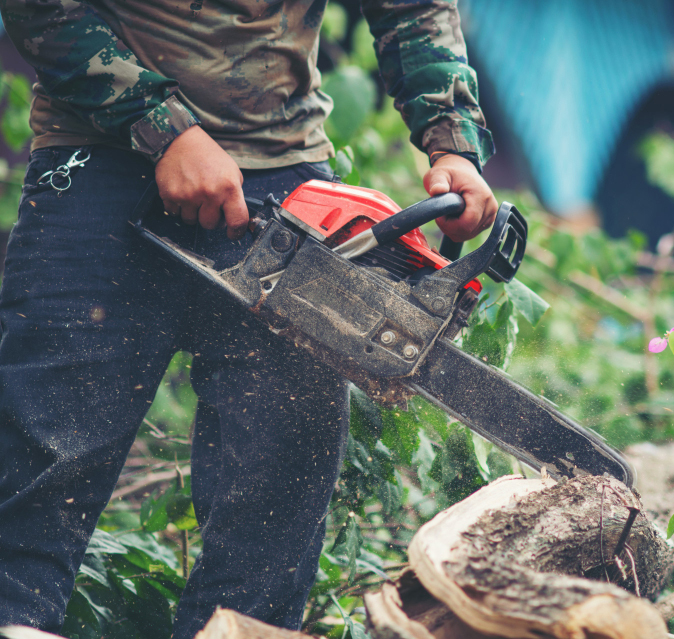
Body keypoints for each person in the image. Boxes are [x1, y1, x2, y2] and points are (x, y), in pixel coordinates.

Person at [0, 1, 498, 637]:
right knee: (39, 479)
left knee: (273, 515)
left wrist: (453, 141)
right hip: (98, 159)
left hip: (288, 184)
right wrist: (162, 128)